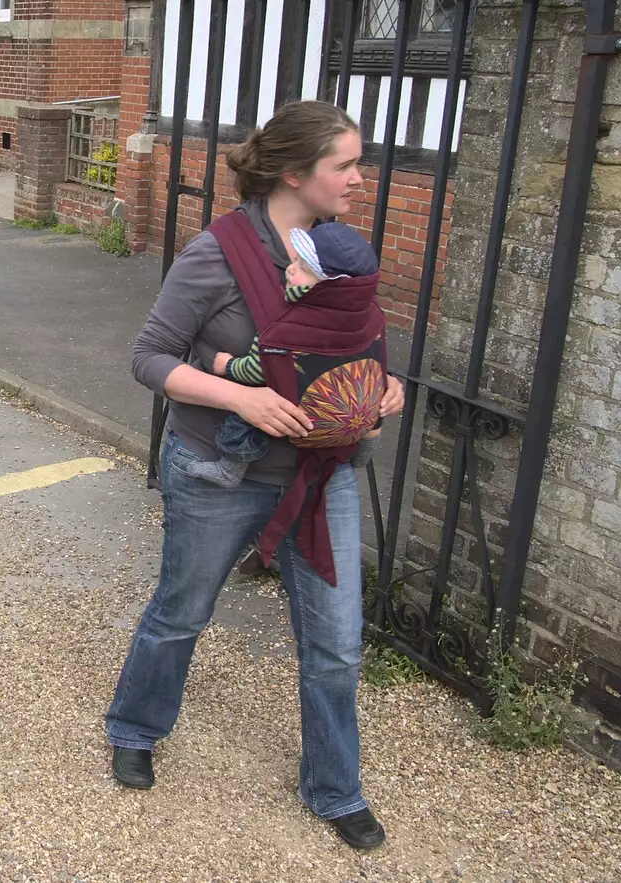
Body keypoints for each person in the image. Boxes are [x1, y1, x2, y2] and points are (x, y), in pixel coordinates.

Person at [106, 100, 404, 851]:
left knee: (336, 642)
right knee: (182, 612)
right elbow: (149, 357)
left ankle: (334, 785)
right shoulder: (219, 252)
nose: (360, 179)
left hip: (323, 473)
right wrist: (243, 396)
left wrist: (381, 390)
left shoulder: (341, 251)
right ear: (296, 172)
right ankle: (135, 725)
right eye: (346, 165)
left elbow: (351, 345)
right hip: (217, 468)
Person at [188, 221, 384, 488]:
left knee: (249, 404)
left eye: (303, 267)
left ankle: (231, 466)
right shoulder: (368, 316)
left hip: (298, 418)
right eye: (295, 260)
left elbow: (259, 370)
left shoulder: (282, 321)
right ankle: (365, 449)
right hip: (350, 417)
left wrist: (229, 365)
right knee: (372, 389)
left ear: (328, 285)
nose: (290, 269)